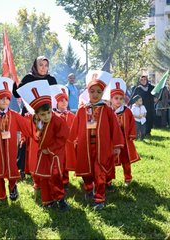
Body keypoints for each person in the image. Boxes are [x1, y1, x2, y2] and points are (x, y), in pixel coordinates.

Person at [68, 70, 123, 210]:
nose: (95, 94)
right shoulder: (82, 110)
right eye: (92, 91)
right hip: (84, 146)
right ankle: (88, 188)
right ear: (88, 92)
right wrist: (72, 141)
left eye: (99, 92)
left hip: (102, 146)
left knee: (99, 171)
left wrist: (116, 145)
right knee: (86, 171)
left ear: (102, 93)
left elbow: (115, 128)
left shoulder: (107, 110)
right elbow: (75, 127)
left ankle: (99, 198)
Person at [17, 80, 69, 211]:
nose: (46, 117)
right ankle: (47, 201)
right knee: (44, 177)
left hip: (54, 154)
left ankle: (60, 199)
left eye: (49, 113)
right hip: (42, 155)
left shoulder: (58, 120)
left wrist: (50, 149)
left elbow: (62, 137)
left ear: (52, 109)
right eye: (42, 114)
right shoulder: (37, 121)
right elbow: (35, 134)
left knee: (55, 177)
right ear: (37, 114)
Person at [12, 56, 58, 181]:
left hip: (46, 115)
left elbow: (56, 95)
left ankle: (45, 167)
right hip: (29, 115)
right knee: (25, 141)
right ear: (35, 66)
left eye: (46, 65)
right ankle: (21, 169)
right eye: (41, 65)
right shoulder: (28, 78)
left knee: (44, 140)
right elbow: (17, 93)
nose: (44, 68)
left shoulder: (51, 79)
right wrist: (13, 83)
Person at [107, 78, 140, 188]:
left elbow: (131, 123)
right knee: (109, 161)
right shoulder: (108, 111)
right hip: (112, 141)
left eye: (121, 98)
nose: (119, 101)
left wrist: (131, 134)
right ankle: (109, 180)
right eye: (116, 98)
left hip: (125, 140)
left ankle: (128, 178)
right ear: (111, 99)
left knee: (126, 160)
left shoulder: (127, 111)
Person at [50, 84, 76, 190]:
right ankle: (57, 180)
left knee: (66, 162)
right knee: (58, 162)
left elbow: (75, 127)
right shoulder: (53, 115)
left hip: (68, 143)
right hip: (58, 145)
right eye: (61, 100)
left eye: (66, 100)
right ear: (56, 102)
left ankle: (65, 181)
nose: (64, 102)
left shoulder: (71, 115)